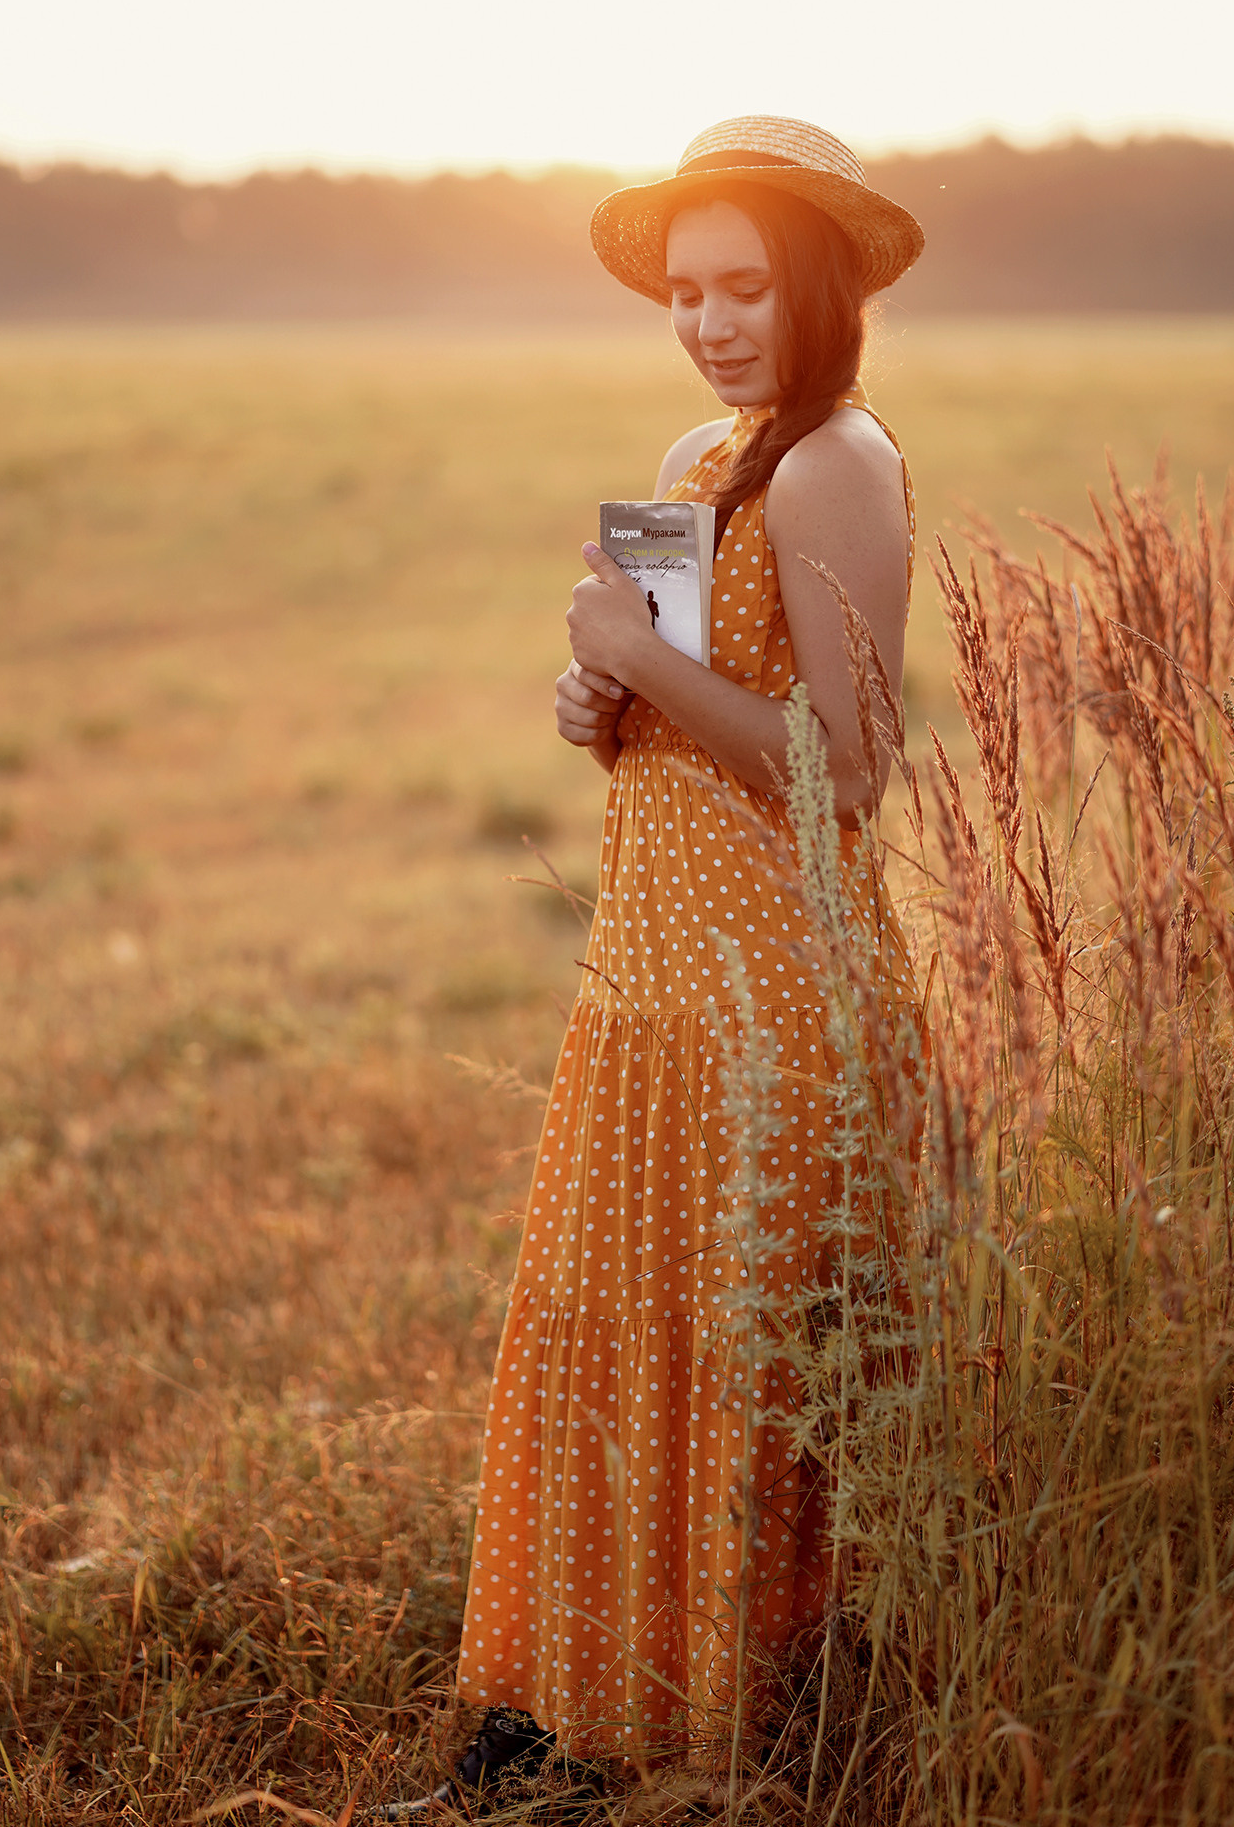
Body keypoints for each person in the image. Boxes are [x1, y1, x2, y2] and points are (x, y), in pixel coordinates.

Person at [451, 118, 926, 1785]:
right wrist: (597, 701)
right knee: (614, 1340)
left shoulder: (832, 465)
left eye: (745, 288)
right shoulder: (703, 457)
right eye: (685, 292)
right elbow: (679, 724)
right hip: (654, 974)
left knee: (729, 1370)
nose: (712, 323)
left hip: (769, 991)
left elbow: (844, 769)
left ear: (818, 287)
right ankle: (581, 1727)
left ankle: (718, 1734)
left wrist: (634, 667)